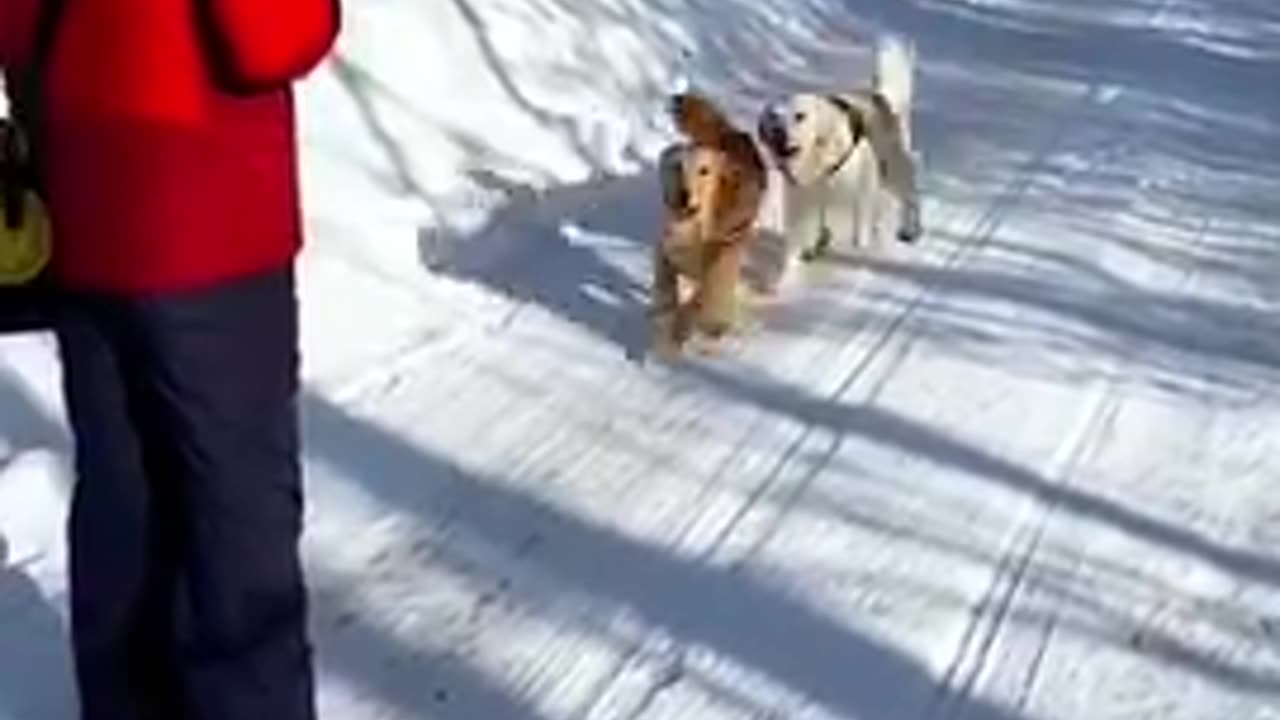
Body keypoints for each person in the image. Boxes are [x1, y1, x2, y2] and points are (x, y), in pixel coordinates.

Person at [0, 0, 340, 718]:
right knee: (236, 517)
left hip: (84, 218)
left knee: (122, 503)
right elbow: (275, 38)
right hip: (209, 229)